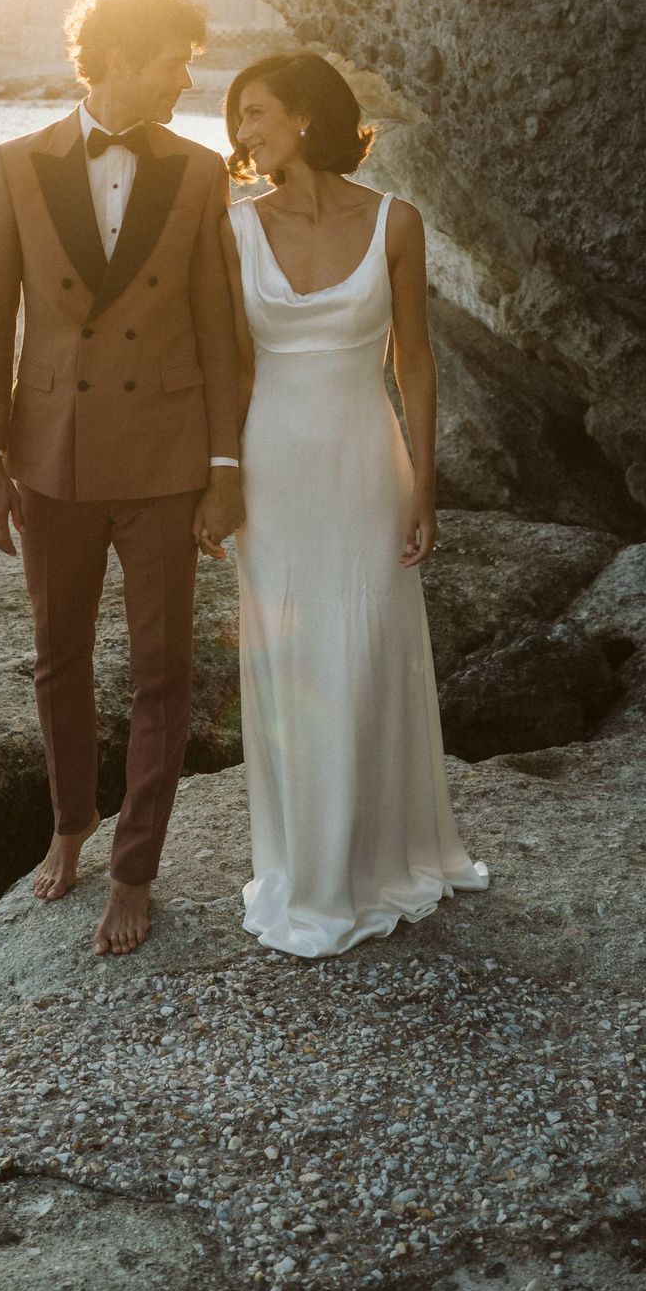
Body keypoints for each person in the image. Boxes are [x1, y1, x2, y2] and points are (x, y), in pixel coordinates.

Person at [0, 0, 244, 958]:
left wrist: (226, 468)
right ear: (120, 58)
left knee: (166, 669)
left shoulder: (202, 171)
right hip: (53, 455)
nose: (183, 81)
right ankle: (70, 820)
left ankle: (136, 864)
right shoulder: (12, 164)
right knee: (59, 658)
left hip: (167, 459)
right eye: (174, 62)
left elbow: (220, 331)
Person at [219, 52, 489, 959]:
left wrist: (424, 479)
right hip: (273, 467)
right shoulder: (234, 230)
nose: (242, 134)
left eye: (254, 113)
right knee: (289, 653)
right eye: (238, 120)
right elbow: (232, 369)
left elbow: (414, 360)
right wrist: (216, 479)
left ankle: (376, 859)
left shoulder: (396, 223)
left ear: (305, 117)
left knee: (369, 647)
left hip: (364, 459)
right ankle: (307, 871)